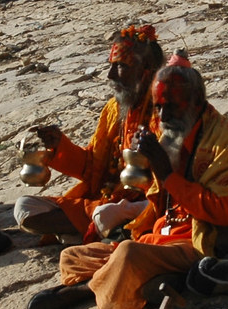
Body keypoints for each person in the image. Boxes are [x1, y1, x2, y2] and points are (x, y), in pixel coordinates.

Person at [27, 60, 228, 309]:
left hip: (205, 241)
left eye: (171, 107)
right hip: (158, 232)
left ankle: (83, 291)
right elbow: (95, 168)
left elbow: (221, 214)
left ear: (196, 102)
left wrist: (164, 174)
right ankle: (133, 279)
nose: (162, 117)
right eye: (159, 108)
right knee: (72, 256)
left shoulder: (227, 142)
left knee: (128, 254)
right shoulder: (135, 119)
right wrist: (60, 146)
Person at [13, 25, 165, 244]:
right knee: (25, 209)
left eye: (120, 66)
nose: (110, 75)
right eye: (111, 66)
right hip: (103, 201)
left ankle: (103, 230)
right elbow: (93, 167)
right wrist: (59, 146)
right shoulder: (113, 109)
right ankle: (101, 230)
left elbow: (173, 175)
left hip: (145, 203)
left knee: (111, 214)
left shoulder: (164, 111)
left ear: (146, 69)